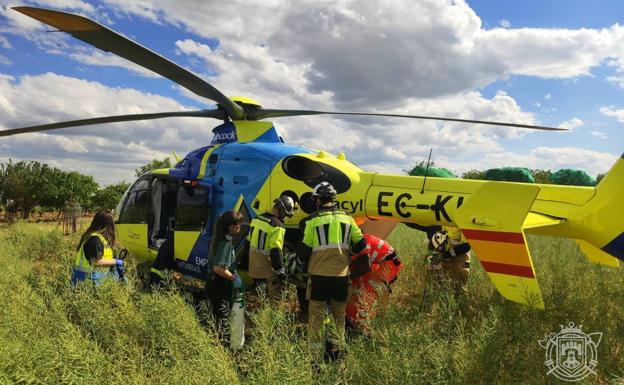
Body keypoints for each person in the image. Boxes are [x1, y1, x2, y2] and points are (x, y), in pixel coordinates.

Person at [296, 181, 368, 366]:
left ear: (318, 199)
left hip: (319, 277)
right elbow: (361, 245)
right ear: (333, 199)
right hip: (341, 277)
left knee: (316, 316)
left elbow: (303, 253)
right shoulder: (348, 218)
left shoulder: (313, 221)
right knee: (338, 315)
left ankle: (315, 357)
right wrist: (346, 252)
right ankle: (337, 354)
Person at [346, 234, 403, 332]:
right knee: (356, 288)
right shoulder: (353, 240)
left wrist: (346, 279)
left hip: (387, 263)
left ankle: (361, 328)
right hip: (377, 262)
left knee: (366, 295)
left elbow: (365, 267)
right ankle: (351, 320)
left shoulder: (359, 242)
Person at [248, 195, 297, 301]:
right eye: (285, 215)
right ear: (282, 211)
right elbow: (275, 253)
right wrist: (281, 274)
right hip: (267, 271)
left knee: (259, 299)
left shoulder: (256, 219)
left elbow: (249, 242)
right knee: (275, 301)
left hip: (253, 268)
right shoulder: (277, 225)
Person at [206, 210, 244, 343]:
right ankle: (224, 347)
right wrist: (234, 279)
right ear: (232, 227)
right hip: (219, 284)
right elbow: (218, 268)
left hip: (213, 283)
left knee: (218, 316)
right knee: (223, 318)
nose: (240, 226)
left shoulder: (219, 238)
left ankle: (219, 343)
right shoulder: (225, 244)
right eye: (239, 224)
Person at [72, 210, 124, 285]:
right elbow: (97, 261)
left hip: (92, 278)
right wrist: (116, 261)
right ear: (109, 225)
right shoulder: (94, 239)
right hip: (86, 280)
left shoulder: (98, 238)